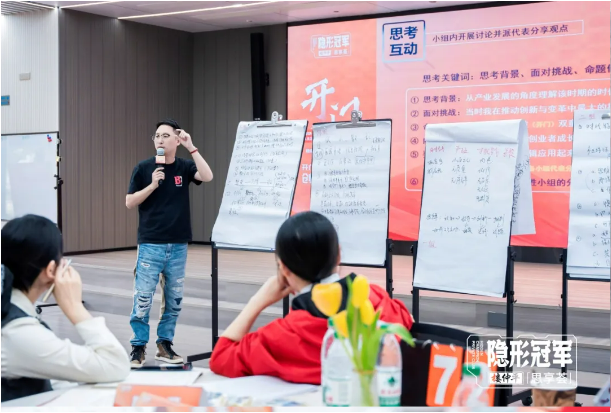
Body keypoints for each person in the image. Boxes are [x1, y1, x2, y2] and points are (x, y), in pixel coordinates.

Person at [209, 211, 413, 384]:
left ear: (283, 269)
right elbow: (407, 323)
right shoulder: (376, 299)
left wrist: (258, 301)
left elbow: (221, 357)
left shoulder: (283, 335)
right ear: (339, 254)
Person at [1, 215, 130, 402]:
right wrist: (74, 307)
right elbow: (114, 364)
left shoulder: (11, 313)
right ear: (51, 270)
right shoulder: (17, 332)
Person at [126, 119, 213, 368]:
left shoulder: (184, 166)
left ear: (177, 139)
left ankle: (164, 345)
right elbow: (129, 202)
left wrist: (191, 147)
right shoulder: (144, 168)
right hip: (150, 244)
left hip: (178, 245)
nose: (160, 139)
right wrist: (153, 185)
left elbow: (207, 176)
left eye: (165, 135)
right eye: (157, 136)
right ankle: (138, 347)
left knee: (174, 301)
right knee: (143, 299)